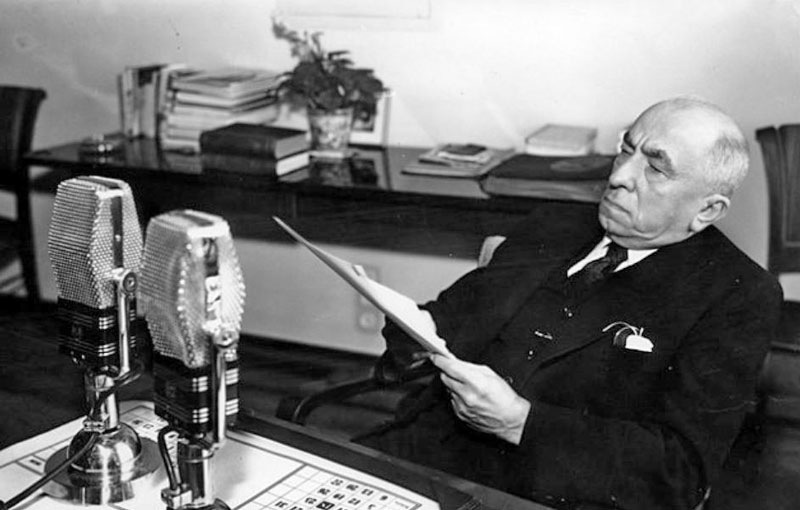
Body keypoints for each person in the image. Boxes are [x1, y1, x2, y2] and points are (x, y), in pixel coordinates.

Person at [356, 97, 783, 510]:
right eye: (626, 150)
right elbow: (446, 317)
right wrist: (412, 334)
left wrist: (520, 422)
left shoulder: (738, 293)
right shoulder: (554, 224)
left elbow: (680, 471)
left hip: (552, 493)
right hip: (423, 452)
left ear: (707, 210)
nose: (618, 177)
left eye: (654, 167)